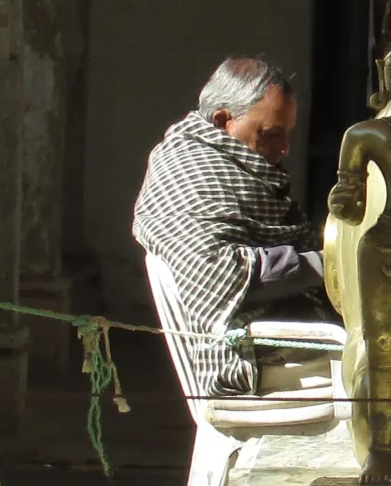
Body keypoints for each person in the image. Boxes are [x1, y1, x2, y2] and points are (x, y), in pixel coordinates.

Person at [131, 56, 325, 396]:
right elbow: (218, 271)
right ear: (224, 121)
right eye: (270, 134)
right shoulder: (187, 170)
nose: (284, 148)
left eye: (286, 134)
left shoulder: (229, 164)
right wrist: (326, 265)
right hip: (244, 354)